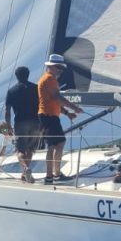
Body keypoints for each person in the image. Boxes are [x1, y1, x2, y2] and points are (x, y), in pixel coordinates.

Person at [38, 54, 83, 184]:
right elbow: (58, 98)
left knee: (57, 144)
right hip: (48, 116)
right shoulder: (50, 79)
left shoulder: (48, 79)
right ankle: (51, 175)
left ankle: (54, 174)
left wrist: (66, 113)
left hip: (50, 115)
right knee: (53, 145)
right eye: (58, 67)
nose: (60, 70)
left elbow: (52, 100)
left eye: (62, 68)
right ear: (50, 66)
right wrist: (74, 108)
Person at [3, 66, 39, 183]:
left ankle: (25, 169)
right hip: (35, 122)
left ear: (16, 76)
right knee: (30, 150)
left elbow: (7, 110)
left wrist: (8, 126)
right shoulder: (36, 88)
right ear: (28, 75)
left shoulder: (12, 91)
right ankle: (24, 174)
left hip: (20, 123)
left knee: (19, 151)